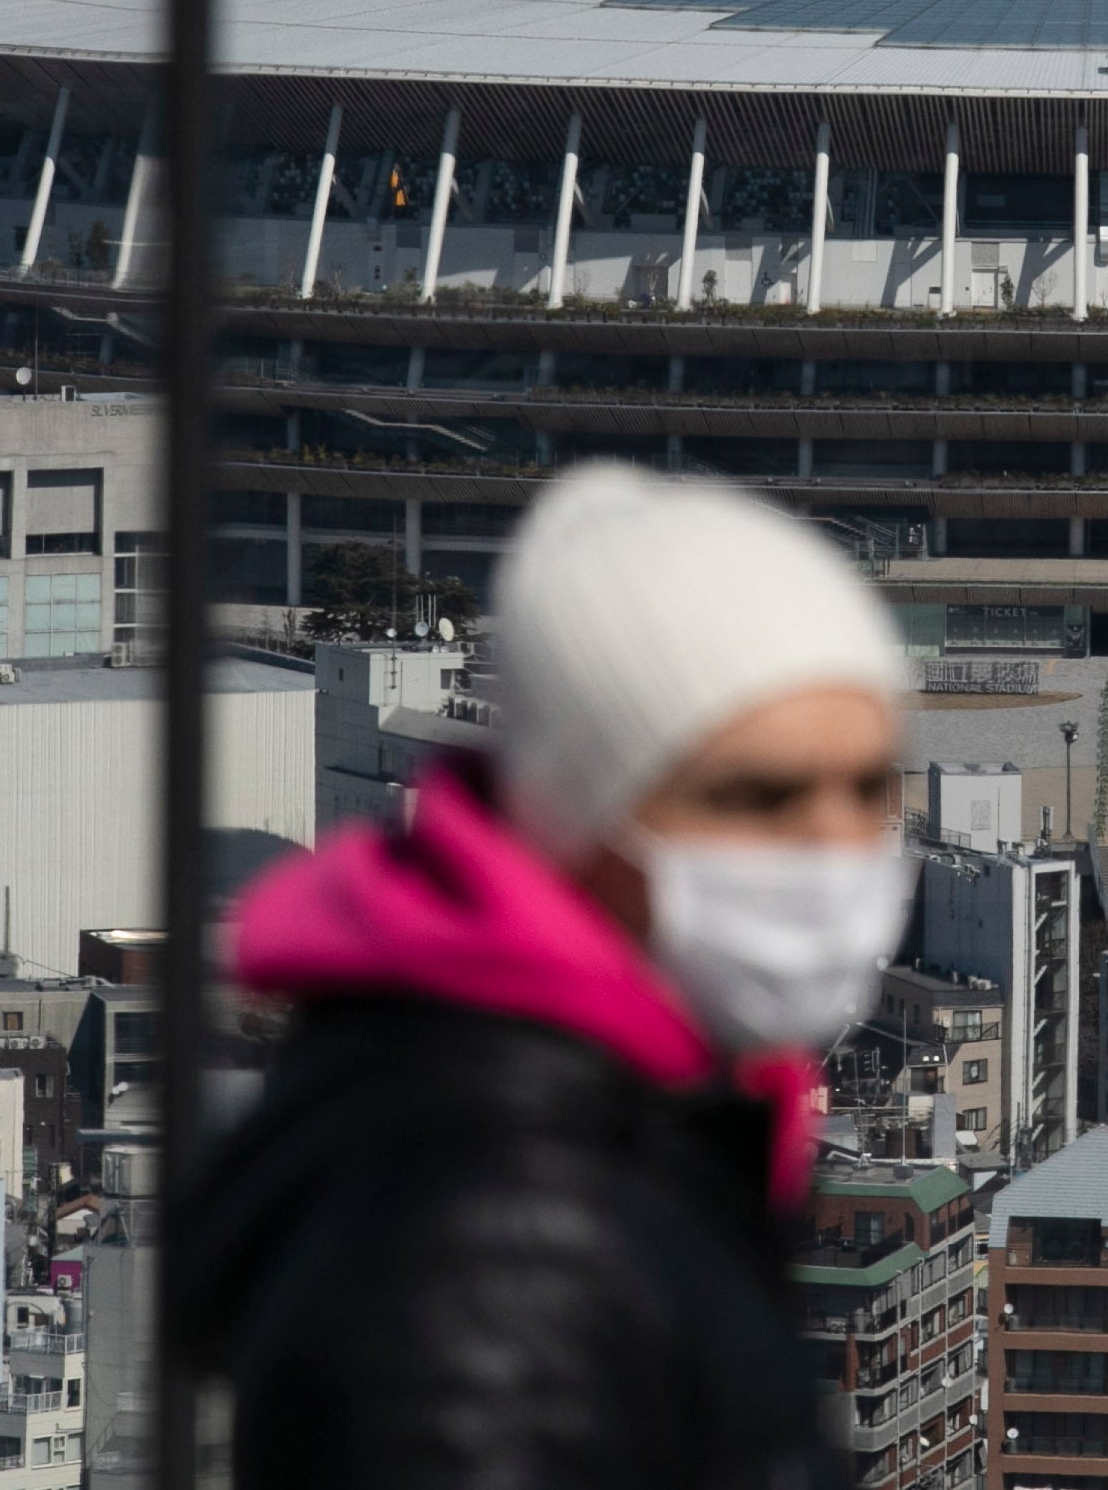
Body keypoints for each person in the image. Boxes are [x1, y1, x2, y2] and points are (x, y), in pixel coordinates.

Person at [204, 463, 916, 1487]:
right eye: (757, 796)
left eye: (864, 787)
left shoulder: (620, 1126)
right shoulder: (491, 1249)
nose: (832, 846)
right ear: (583, 811)